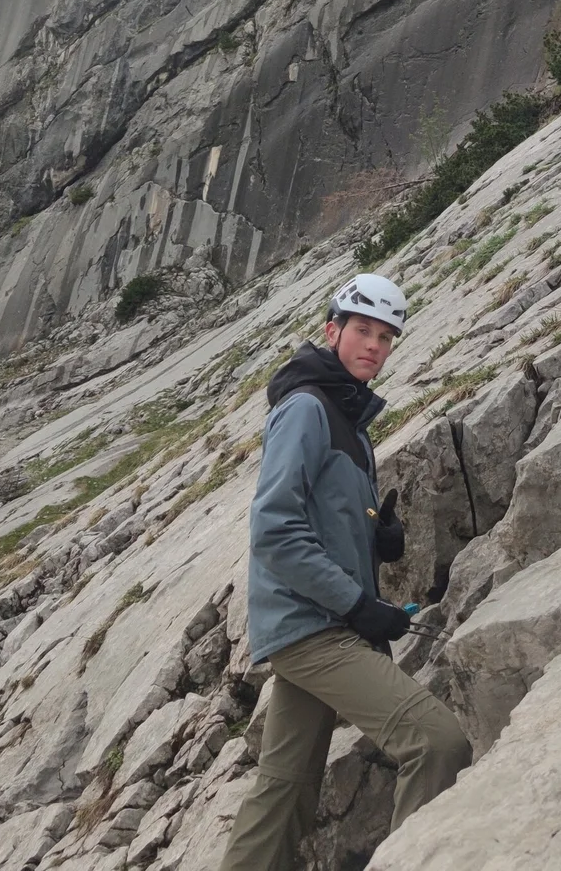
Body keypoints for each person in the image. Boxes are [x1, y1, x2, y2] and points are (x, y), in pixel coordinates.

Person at [218, 273, 474, 871]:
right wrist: (358, 605)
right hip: (315, 626)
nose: (374, 347)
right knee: (437, 742)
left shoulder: (347, 418)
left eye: (386, 337)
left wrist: (376, 539)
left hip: (310, 622)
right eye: (363, 330)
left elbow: (319, 518)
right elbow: (275, 528)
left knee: (284, 790)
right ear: (332, 331)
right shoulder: (307, 409)